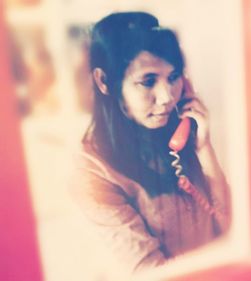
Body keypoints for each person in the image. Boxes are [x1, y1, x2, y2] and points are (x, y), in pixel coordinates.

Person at [70, 12, 231, 273]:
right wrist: (231, 251)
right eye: (148, 81)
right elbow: (154, 272)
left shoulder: (176, 133)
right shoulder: (91, 172)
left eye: (174, 77)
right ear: (104, 81)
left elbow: (231, 224)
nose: (168, 97)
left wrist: (204, 148)